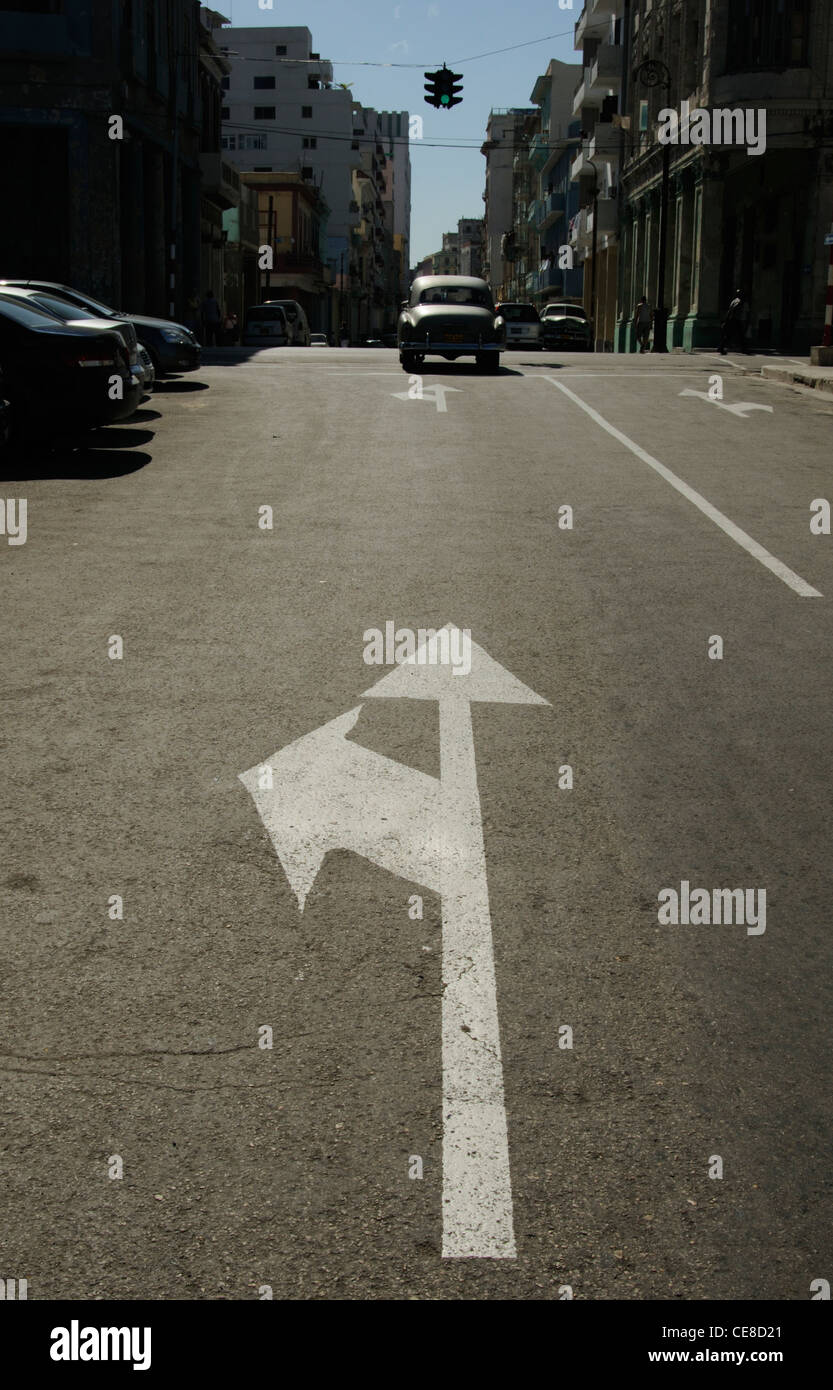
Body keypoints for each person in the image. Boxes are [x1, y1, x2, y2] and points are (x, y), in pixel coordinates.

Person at [720, 288, 750, 355]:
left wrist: (726, 320)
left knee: (731, 335)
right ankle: (744, 349)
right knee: (739, 335)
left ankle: (721, 348)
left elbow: (729, 311)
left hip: (733, 319)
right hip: (736, 320)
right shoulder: (741, 302)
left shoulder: (734, 301)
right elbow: (733, 311)